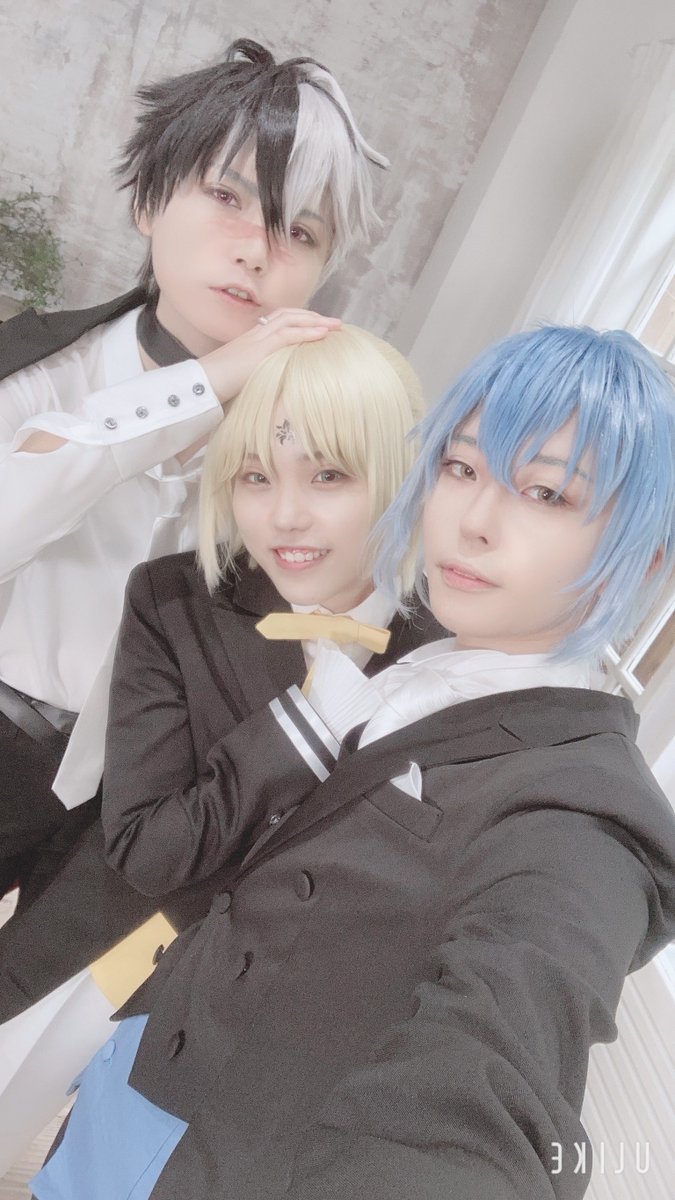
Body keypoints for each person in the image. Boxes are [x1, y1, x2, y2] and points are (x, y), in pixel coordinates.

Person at [30, 324, 675, 1200]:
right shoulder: (428, 665)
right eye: (461, 468)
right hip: (143, 1046)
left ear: (643, 556)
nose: (474, 521)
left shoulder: (581, 820)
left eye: (545, 492)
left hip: (228, 1148)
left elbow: (485, 1095)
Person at [0, 323, 441, 1173]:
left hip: (262, 1027)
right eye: (254, 475)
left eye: (329, 475)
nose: (285, 515)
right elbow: (147, 845)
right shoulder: (177, 600)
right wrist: (308, 725)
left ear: (398, 474)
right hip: (103, 939)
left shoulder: (443, 654)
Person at [0, 36, 386, 904]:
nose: (256, 250)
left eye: (299, 231)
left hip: (135, 807)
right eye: (227, 197)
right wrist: (200, 386)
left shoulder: (302, 441)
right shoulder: (37, 369)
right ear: (149, 200)